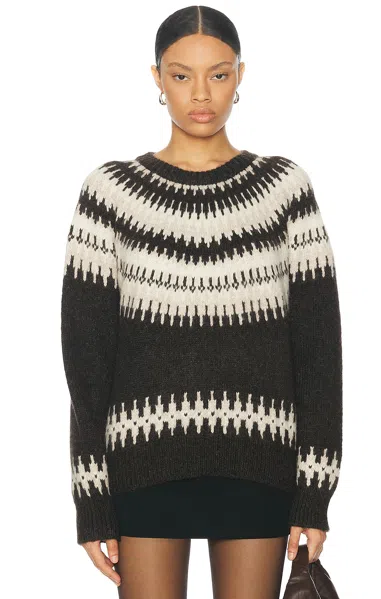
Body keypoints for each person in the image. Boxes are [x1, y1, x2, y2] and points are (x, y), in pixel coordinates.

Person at [60, 5, 343, 599]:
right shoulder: (109, 195)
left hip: (259, 461)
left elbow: (318, 353)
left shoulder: (285, 190)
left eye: (217, 74)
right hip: (142, 462)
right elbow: (86, 363)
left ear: (240, 75)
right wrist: (91, 498)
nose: (200, 94)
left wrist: (314, 493)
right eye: (180, 74)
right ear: (156, 78)